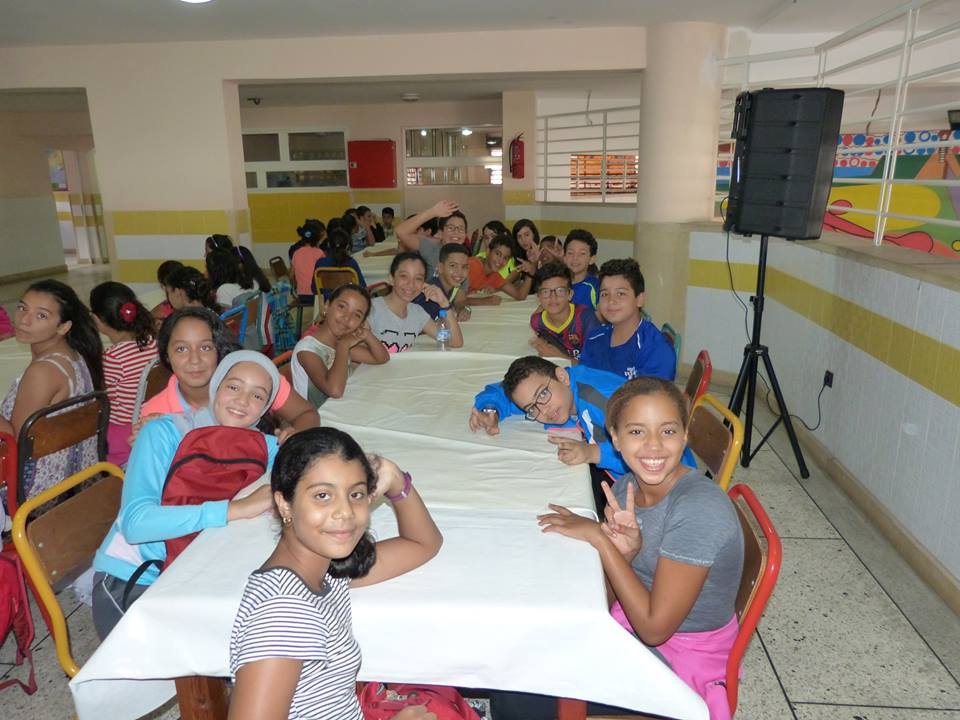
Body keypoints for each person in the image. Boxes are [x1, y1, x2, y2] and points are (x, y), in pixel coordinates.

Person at [533, 377, 744, 719]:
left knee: (526, 694)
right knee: (534, 634)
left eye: (668, 431)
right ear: (614, 438)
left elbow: (654, 629)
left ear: (684, 435)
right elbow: (602, 601)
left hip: (682, 663)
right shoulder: (626, 489)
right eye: (636, 432)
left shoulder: (699, 510)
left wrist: (601, 541)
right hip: (637, 624)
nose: (654, 446)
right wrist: (624, 555)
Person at [228, 427, 442, 720]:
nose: (345, 512)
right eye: (323, 495)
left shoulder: (324, 570)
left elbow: (423, 543)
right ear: (284, 504)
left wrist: (395, 480)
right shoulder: (284, 612)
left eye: (356, 494)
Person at [92, 351, 284, 638]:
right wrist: (234, 509)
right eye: (233, 386)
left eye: (257, 395)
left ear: (265, 407)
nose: (243, 401)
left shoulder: (264, 447)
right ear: (216, 386)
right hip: (137, 579)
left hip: (197, 569)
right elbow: (136, 524)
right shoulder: (164, 432)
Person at [135, 308, 319, 443]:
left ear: (219, 349)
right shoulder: (155, 413)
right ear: (167, 355)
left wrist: (295, 437)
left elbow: (307, 413)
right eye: (181, 349)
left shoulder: (255, 378)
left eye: (205, 347)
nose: (194, 360)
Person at [0, 280, 103, 513]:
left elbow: (14, 443)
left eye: (41, 315)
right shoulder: (75, 355)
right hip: (77, 480)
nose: (24, 320)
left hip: (36, 493)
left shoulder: (43, 372)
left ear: (63, 327)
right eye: (22, 308)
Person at [469, 356, 628, 480]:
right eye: (531, 408)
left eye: (543, 394)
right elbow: (501, 391)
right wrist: (491, 410)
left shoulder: (604, 401)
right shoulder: (561, 389)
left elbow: (640, 449)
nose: (543, 410)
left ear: (562, 377)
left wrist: (592, 453)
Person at [89, 282, 159, 466]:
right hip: (150, 420)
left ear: (96, 319)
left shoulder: (112, 358)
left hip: (123, 435)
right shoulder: (153, 342)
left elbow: (104, 401)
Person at [291, 284, 389, 406]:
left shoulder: (340, 341)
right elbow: (335, 390)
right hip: (318, 415)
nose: (347, 318)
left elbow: (381, 358)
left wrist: (366, 334)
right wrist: (343, 346)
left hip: (342, 407)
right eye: (342, 307)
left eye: (357, 315)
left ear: (361, 322)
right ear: (326, 306)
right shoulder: (307, 350)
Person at [580, 258, 676, 382]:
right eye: (605, 294)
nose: (611, 301)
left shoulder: (656, 349)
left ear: (639, 299)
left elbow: (653, 393)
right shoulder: (594, 338)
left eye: (620, 294)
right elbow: (582, 383)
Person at [369, 252, 463, 353]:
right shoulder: (371, 309)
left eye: (418, 278)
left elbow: (454, 342)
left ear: (424, 284)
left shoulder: (417, 312)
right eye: (404, 276)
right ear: (391, 279)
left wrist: (444, 303)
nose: (411, 284)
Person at [412, 243, 500, 322]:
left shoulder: (451, 287)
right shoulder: (430, 295)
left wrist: (464, 309)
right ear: (440, 268)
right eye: (453, 265)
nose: (459, 272)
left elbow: (457, 303)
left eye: (464, 267)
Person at [528, 262, 598, 361]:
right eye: (545, 292)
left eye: (560, 291)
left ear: (570, 294)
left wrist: (561, 356)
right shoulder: (537, 322)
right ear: (538, 297)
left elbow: (597, 365)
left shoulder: (586, 318)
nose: (553, 297)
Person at [395, 200, 468, 278]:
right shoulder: (431, 247)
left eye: (461, 229)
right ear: (440, 233)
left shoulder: (466, 257)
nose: (456, 232)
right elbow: (401, 232)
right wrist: (433, 212)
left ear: (465, 234)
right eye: (451, 228)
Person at [466, 234, 532, 300]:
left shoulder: (495, 276)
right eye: (497, 254)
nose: (500, 261)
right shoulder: (472, 265)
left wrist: (530, 273)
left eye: (505, 258)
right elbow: (459, 299)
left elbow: (520, 296)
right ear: (488, 251)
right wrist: (485, 300)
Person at [314, 229, 367, 301]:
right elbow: (362, 287)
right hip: (349, 302)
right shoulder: (351, 263)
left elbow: (314, 288)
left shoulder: (320, 263)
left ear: (328, 244)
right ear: (347, 246)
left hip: (328, 303)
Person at [291, 221, 327, 304]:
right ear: (318, 239)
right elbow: (324, 275)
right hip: (317, 295)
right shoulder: (319, 253)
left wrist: (297, 287)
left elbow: (291, 275)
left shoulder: (297, 253)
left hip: (301, 295)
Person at [564, 229, 600, 309]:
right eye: (570, 253)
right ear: (564, 257)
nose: (575, 258)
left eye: (582, 253)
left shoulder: (596, 286)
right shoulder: (556, 283)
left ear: (592, 259)